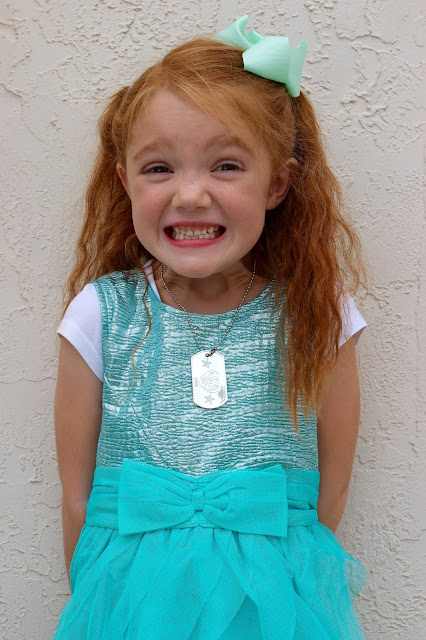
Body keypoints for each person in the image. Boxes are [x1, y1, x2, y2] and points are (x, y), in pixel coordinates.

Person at [53, 14, 369, 639]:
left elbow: (328, 496)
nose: (191, 194)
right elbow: (78, 499)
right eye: (159, 168)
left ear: (277, 183)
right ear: (124, 181)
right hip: (131, 611)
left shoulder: (317, 313)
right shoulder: (100, 314)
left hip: (277, 610)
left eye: (226, 166)